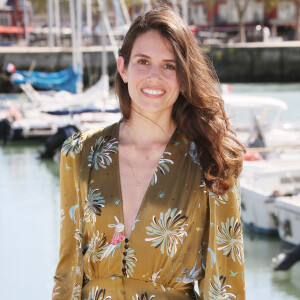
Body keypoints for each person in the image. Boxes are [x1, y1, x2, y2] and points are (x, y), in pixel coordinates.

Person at [52, 6, 245, 300]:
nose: (155, 76)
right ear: (123, 68)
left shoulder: (212, 160)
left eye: (170, 65)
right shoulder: (79, 154)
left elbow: (225, 285)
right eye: (143, 61)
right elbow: (67, 274)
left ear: (184, 76)